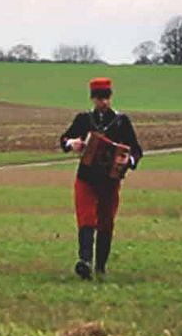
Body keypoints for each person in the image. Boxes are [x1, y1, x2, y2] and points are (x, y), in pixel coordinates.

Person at [59, 77, 143, 280]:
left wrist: (127, 161)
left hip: (110, 180)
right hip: (86, 177)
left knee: (106, 221)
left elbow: (137, 150)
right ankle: (85, 261)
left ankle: (101, 267)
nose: (103, 102)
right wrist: (73, 143)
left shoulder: (122, 121)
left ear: (110, 97)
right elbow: (64, 140)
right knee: (86, 217)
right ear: (92, 99)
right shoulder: (83, 120)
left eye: (106, 97)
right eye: (99, 98)